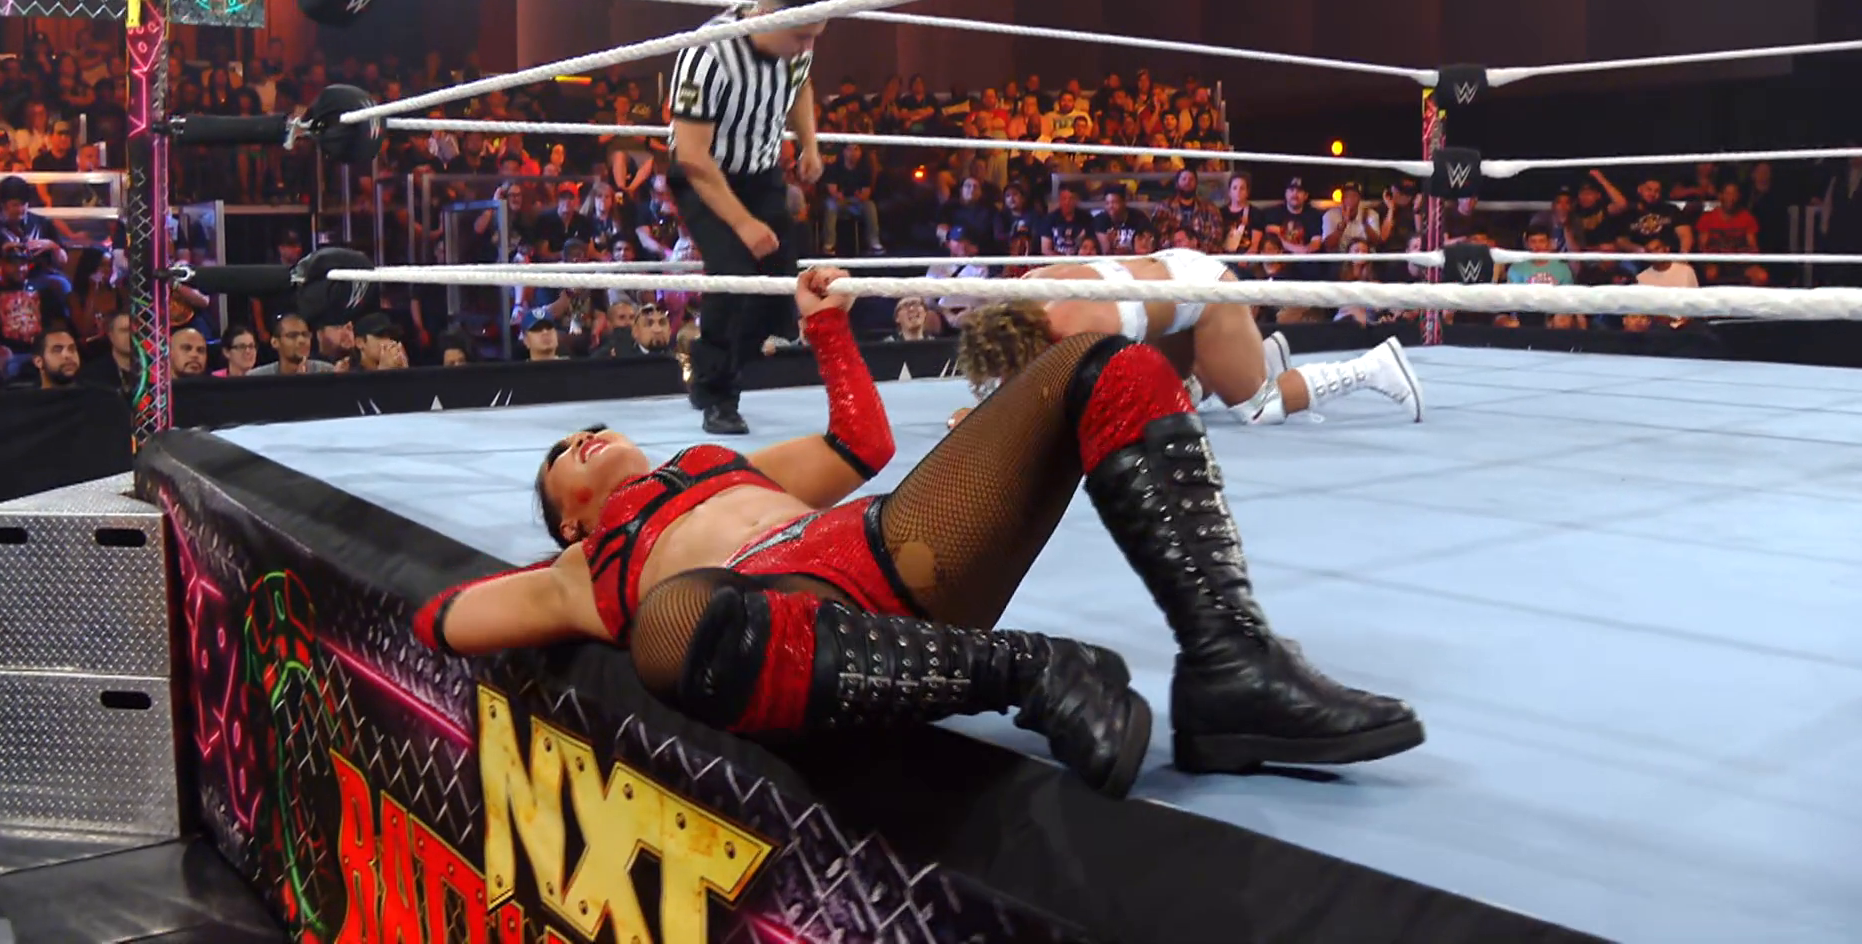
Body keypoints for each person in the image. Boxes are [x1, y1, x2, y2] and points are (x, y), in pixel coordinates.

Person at [412, 268, 1423, 797]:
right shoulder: (583, 569)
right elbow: (441, 620)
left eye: (588, 429)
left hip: (894, 553)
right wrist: (556, 587)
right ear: (570, 514)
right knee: (673, 626)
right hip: (788, 628)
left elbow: (861, 444)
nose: (585, 438)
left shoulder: (719, 464)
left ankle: (1229, 666)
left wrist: (825, 329)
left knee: (1105, 366)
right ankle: (1032, 672)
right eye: (566, 455)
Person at [952, 248, 1423, 430]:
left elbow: (1055, 410)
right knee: (1181, 397)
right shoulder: (1031, 286)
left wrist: (988, 421)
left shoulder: (1077, 334)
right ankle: (1259, 357)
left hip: (1205, 296)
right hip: (1171, 274)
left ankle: (1373, 367)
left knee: (1259, 408)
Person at [668, 0, 829, 436]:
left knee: (779, 291)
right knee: (733, 276)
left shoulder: (796, 46)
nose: (807, 47)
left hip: (761, 174)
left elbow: (801, 84)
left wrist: (809, 144)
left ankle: (710, 366)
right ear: (768, 16)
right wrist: (741, 223)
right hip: (704, 176)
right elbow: (692, 155)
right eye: (801, 36)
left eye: (814, 37)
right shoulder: (708, 54)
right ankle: (719, 396)